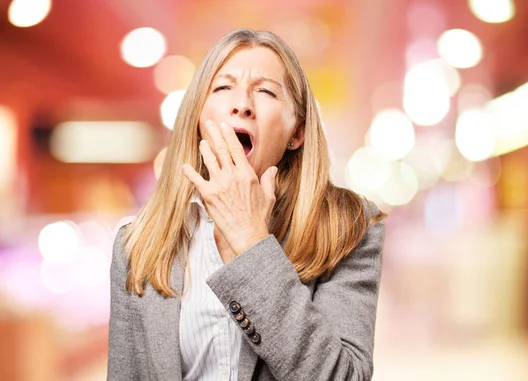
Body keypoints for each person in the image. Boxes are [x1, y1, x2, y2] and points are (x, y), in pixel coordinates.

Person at [108, 28, 386, 381]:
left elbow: (342, 376)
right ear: (198, 116)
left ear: (296, 132)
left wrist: (252, 242)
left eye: (266, 91)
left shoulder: (348, 227)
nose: (242, 104)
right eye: (223, 87)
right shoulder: (137, 246)